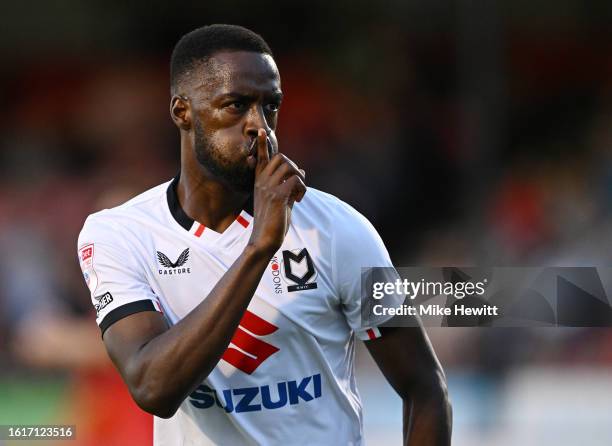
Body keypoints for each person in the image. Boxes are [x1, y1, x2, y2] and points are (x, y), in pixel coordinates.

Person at [77, 24, 451, 445]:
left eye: (269, 107)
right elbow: (153, 388)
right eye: (236, 105)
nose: (259, 126)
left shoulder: (338, 229)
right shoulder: (121, 234)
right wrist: (260, 247)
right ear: (182, 111)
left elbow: (425, 389)